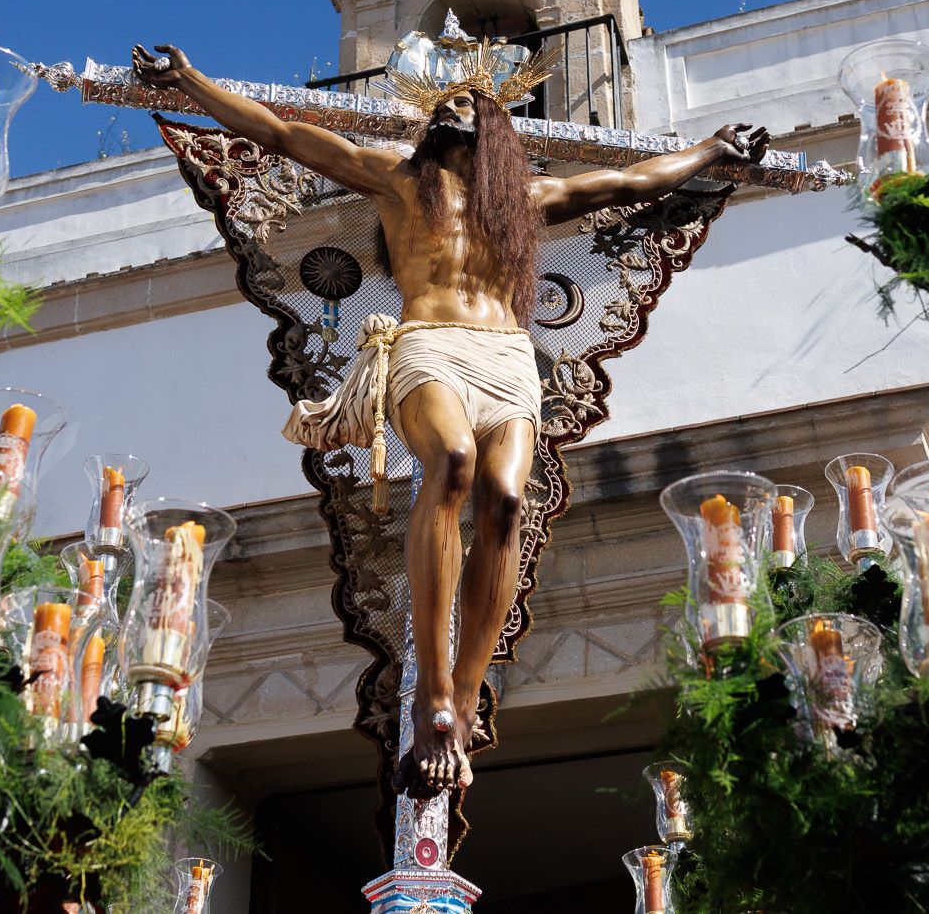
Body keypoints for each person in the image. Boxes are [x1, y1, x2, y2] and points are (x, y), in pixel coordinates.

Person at [132, 39, 768, 797]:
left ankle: (464, 698)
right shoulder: (399, 180)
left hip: (508, 358)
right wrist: (192, 81)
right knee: (454, 463)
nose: (452, 108)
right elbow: (282, 133)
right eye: (444, 102)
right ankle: (431, 685)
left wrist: (711, 149)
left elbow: (632, 181)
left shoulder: (525, 201)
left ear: (497, 127)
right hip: (429, 345)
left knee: (506, 502)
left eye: (469, 103)